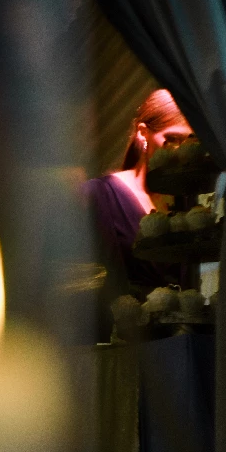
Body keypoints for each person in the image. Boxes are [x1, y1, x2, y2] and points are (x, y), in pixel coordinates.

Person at [79, 88, 193, 342]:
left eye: (189, 142)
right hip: (122, 342)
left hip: (176, 341)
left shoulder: (185, 202)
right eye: (172, 139)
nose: (181, 152)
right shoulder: (100, 195)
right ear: (143, 133)